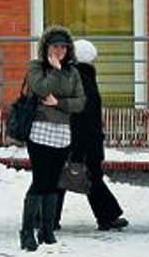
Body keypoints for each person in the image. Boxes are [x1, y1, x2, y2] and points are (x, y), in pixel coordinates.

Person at [19, 26, 86, 252]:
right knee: (40, 180)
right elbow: (40, 89)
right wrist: (55, 71)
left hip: (62, 133)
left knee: (53, 182)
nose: (59, 51)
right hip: (39, 129)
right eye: (55, 46)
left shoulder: (73, 72)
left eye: (63, 47)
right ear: (46, 47)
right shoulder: (36, 67)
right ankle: (27, 231)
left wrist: (59, 103)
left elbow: (80, 102)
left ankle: (46, 230)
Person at [53, 39, 128, 232]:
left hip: (73, 138)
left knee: (62, 177)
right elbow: (83, 116)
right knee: (89, 176)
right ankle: (107, 216)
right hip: (83, 139)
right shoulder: (83, 79)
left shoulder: (72, 77)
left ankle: (47, 218)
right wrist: (78, 149)